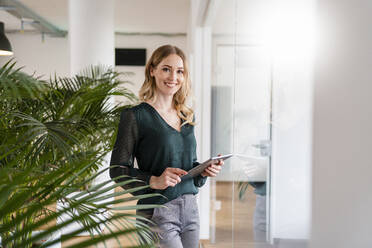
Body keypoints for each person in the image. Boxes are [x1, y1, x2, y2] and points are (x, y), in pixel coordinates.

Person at [109, 44, 223, 247]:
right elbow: (117, 170)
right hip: (157, 209)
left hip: (190, 209)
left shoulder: (187, 116)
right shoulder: (135, 116)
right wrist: (153, 180)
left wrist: (203, 171)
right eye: (166, 69)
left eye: (180, 71)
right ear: (152, 71)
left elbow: (187, 165)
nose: (173, 77)